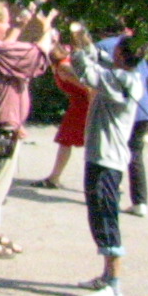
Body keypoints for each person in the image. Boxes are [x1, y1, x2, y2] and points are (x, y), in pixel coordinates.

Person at [0, 0, 54, 257]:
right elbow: (34, 55)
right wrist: (48, 31)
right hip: (0, 127)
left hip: (3, 125)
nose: (8, 25)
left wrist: (18, 26)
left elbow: (9, 48)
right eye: (6, 21)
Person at [71, 27, 145, 296]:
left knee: (105, 219)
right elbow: (98, 60)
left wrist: (78, 49)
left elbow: (88, 72)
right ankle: (106, 277)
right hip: (101, 157)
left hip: (107, 159)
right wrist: (86, 44)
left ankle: (114, 287)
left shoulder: (121, 79)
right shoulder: (125, 74)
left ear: (122, 55)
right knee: (98, 216)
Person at [97, 24, 148, 216]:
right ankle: (140, 202)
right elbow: (145, 75)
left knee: (112, 152)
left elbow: (92, 75)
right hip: (143, 109)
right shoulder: (134, 45)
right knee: (135, 154)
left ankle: (111, 195)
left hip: (120, 109)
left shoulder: (102, 46)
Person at [30, 41, 92, 190]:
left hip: (83, 107)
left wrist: (92, 110)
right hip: (78, 105)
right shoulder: (62, 65)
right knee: (68, 140)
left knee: (68, 140)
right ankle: (54, 177)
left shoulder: (64, 67)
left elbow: (88, 88)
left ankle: (55, 178)